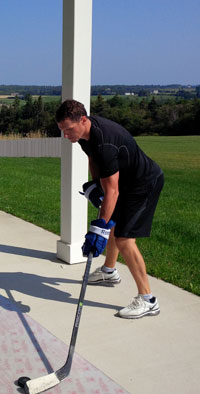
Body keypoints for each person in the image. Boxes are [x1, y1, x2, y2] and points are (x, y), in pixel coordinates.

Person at [55, 99, 164, 319]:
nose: (66, 135)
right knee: (114, 223)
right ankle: (109, 271)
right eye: (62, 130)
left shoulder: (105, 143)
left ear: (83, 120)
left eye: (69, 129)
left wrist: (100, 228)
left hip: (143, 184)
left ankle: (148, 300)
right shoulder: (84, 135)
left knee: (124, 239)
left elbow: (112, 191)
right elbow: (92, 159)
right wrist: (96, 184)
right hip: (125, 183)